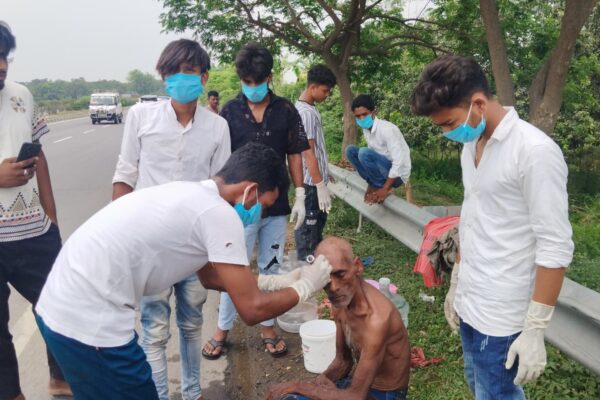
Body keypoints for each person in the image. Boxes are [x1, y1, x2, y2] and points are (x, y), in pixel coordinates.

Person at [35, 143, 333, 400]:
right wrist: (306, 286)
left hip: (57, 306)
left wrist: (275, 282)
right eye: (262, 205)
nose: (259, 213)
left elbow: (210, 277)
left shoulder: (192, 194)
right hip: (90, 324)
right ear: (250, 189)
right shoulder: (219, 214)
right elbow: (252, 310)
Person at [410, 55, 574, 399]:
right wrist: (458, 279)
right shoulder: (471, 146)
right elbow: (474, 217)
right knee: (478, 386)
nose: (447, 133)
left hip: (503, 313)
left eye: (449, 122)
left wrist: (535, 328)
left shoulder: (534, 152)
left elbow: (555, 246)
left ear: (479, 104)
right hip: (472, 300)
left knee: (496, 394)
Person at [112, 39, 230, 400]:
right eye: (172, 71)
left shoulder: (217, 127)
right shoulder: (140, 117)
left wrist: (219, 248)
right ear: (163, 78)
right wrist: (120, 236)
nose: (181, 78)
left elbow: (221, 188)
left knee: (192, 325)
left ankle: (192, 393)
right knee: (153, 329)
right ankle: (159, 395)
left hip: (195, 244)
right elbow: (125, 175)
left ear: (203, 77)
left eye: (189, 71)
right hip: (149, 243)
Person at [202, 43, 322, 359]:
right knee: (233, 269)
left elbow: (295, 153)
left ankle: (268, 327)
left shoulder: (286, 111)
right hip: (240, 207)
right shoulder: (229, 112)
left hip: (275, 204)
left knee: (272, 265)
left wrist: (300, 194)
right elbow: (221, 160)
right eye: (247, 82)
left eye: (258, 81)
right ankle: (223, 328)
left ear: (269, 77)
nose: (252, 87)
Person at [0, 21, 71, 400]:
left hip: (35, 232)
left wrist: (52, 219)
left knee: (60, 306)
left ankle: (60, 379)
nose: (1, 65)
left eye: (4, 57)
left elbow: (39, 157)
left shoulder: (22, 95)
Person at [267, 236, 410, 400]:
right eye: (326, 278)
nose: (333, 287)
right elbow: (343, 361)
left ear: (357, 266)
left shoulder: (377, 320)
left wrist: (300, 386)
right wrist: (320, 381)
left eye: (340, 274)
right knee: (289, 397)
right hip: (358, 386)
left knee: (297, 391)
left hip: (385, 394)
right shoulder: (341, 303)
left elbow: (356, 396)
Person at [294, 64, 336, 262]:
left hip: (315, 177)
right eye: (325, 91)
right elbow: (308, 151)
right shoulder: (306, 113)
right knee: (308, 230)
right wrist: (319, 185)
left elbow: (317, 148)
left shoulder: (309, 109)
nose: (327, 95)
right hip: (311, 183)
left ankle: (313, 265)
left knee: (316, 227)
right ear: (312, 87)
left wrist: (325, 173)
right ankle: (306, 267)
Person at [346, 94, 412, 204]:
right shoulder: (366, 130)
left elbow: (398, 162)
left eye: (364, 114)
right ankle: (374, 185)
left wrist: (385, 188)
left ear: (374, 112)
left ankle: (381, 186)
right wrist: (370, 185)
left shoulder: (387, 129)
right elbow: (371, 158)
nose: (361, 119)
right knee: (350, 150)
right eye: (358, 116)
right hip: (382, 171)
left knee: (363, 153)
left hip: (397, 176)